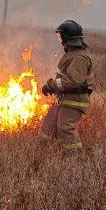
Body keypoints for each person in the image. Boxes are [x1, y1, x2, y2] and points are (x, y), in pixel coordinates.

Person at [40, 20, 94, 151]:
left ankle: (72, 161)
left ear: (67, 38)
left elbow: (73, 81)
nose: (60, 40)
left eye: (61, 36)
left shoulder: (80, 57)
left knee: (66, 129)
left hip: (74, 101)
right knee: (47, 128)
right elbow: (65, 78)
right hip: (64, 99)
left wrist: (52, 85)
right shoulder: (71, 54)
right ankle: (41, 157)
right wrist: (51, 84)